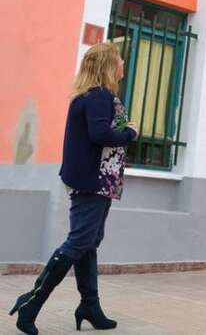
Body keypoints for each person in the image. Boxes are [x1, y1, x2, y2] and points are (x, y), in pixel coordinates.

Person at [9, 42, 137, 334]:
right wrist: (130, 132)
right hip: (93, 181)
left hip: (96, 181)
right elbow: (100, 134)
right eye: (119, 60)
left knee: (88, 242)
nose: (123, 65)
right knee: (79, 242)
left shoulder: (91, 96)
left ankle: (90, 306)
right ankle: (31, 302)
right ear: (107, 65)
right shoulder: (99, 96)